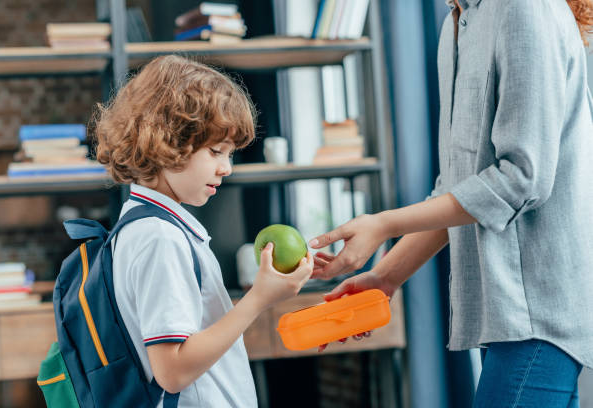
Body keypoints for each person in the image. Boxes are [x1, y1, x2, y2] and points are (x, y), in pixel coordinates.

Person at [310, 0, 593, 406]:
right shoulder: (457, 25)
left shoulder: (524, 9)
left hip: (538, 313)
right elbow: (461, 188)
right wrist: (386, 276)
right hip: (504, 313)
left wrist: (382, 224)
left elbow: (521, 179)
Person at [93, 55, 313, 407]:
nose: (226, 168)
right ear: (167, 141)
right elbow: (173, 370)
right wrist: (259, 298)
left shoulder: (148, 226)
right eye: (216, 151)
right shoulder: (158, 238)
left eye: (230, 154)